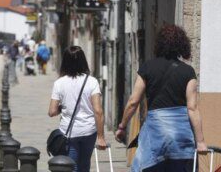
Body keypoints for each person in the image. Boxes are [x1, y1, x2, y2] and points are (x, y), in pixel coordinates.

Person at [115, 24, 207, 172]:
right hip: (181, 137)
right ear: (182, 45)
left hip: (155, 136)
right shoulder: (188, 71)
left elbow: (133, 102)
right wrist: (200, 141)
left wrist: (122, 126)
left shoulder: (147, 68)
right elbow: (192, 108)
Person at [49, 46, 107, 172]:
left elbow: (52, 111)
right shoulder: (92, 82)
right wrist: (101, 137)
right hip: (89, 131)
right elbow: (98, 111)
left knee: (71, 166)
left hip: (69, 132)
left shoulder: (59, 83)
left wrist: (63, 107)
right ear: (83, 61)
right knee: (84, 165)